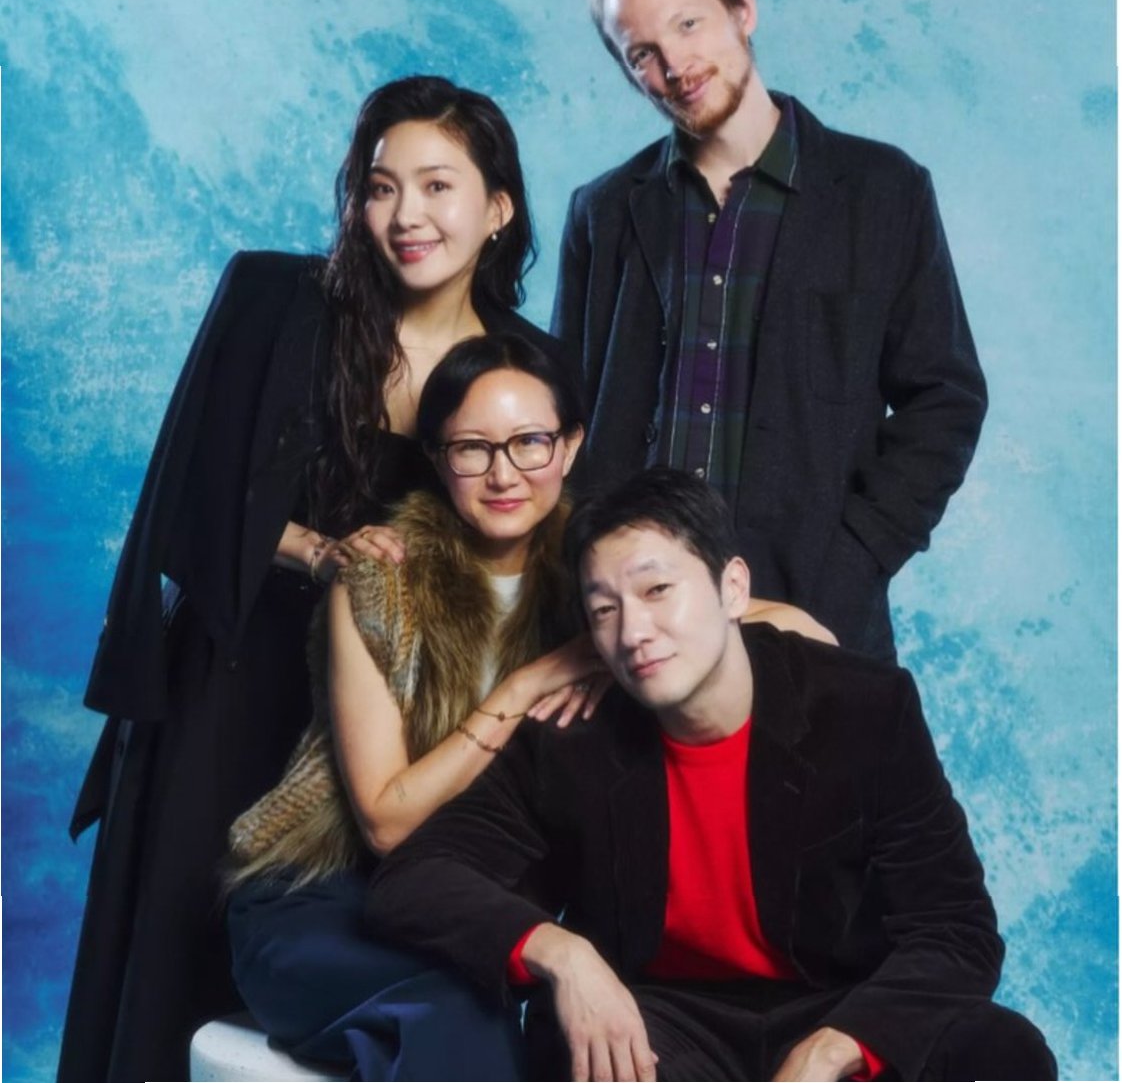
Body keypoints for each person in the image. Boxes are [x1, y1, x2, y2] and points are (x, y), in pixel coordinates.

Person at [58, 76, 572, 1083]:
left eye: (438, 185)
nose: (407, 214)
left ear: (499, 209)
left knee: (361, 972)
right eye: (381, 187)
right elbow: (184, 501)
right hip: (237, 670)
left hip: (395, 709)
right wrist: (319, 551)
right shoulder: (275, 299)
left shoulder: (525, 364)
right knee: (172, 972)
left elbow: (561, 532)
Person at [223, 336, 833, 1080]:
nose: (504, 473)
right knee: (457, 1018)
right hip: (324, 895)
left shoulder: (601, 575)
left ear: (569, 446)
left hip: (483, 904)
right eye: (472, 449)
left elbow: (801, 631)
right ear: (438, 457)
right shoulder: (380, 580)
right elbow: (386, 823)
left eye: (530, 442)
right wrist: (525, 686)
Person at [366, 468, 1057, 1083]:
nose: (633, 631)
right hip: (667, 1021)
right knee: (587, 1054)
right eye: (604, 609)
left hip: (836, 1006)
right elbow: (416, 876)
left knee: (1002, 1051)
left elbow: (956, 928)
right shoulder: (572, 739)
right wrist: (563, 954)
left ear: (733, 588)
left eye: (657, 590)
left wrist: (839, 1047)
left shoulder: (864, 708)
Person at [553, 0, 988, 661]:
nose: (676, 65)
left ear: (742, 9)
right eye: (643, 53)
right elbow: (564, 415)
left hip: (813, 613)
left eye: (689, 24)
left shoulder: (881, 190)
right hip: (632, 633)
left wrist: (853, 562)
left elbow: (945, 401)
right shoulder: (603, 212)